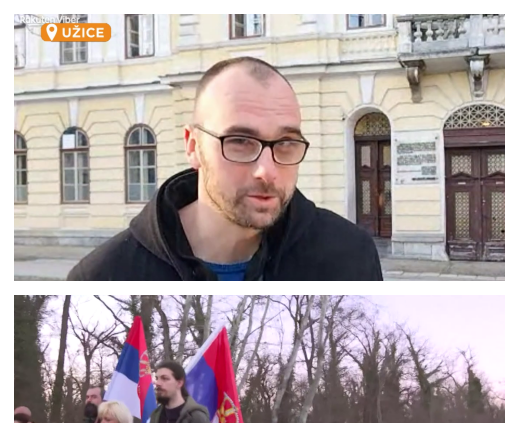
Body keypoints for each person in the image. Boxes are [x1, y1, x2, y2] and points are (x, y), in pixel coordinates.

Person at [67, 56, 382, 281]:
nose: (266, 171)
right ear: (193, 146)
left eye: (285, 143)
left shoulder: (349, 256)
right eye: (241, 141)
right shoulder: (105, 276)